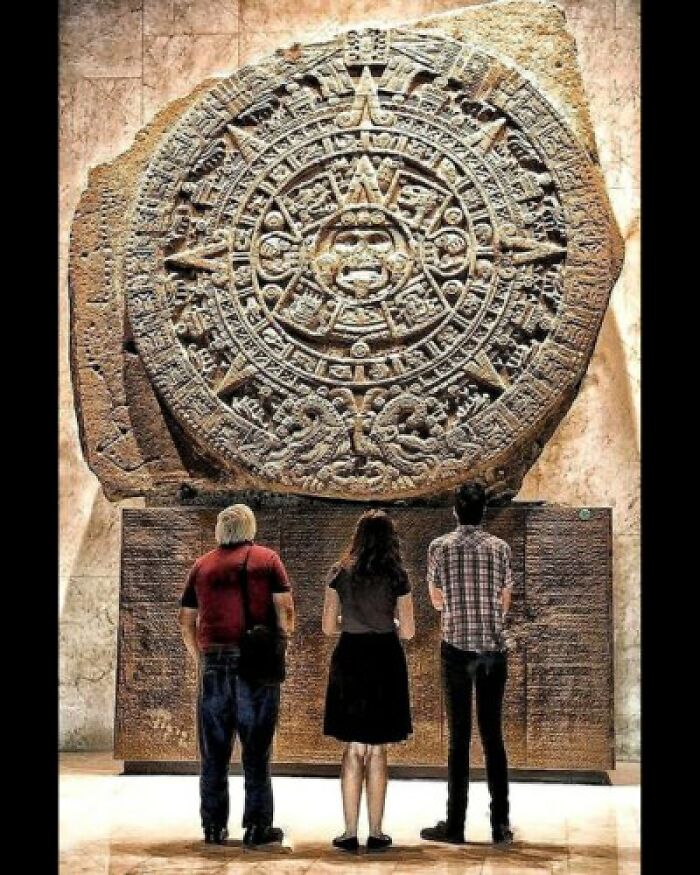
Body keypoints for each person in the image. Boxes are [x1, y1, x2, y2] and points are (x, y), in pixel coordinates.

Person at [178, 504, 295, 846]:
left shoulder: (201, 566)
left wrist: (200, 656)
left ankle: (213, 826)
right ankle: (258, 826)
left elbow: (186, 619)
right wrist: (279, 647)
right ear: (250, 526)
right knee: (256, 748)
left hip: (213, 664)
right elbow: (285, 610)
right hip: (255, 666)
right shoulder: (267, 559)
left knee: (213, 751)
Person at [421, 483, 515, 847]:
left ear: (456, 511)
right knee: (493, 738)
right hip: (492, 650)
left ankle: (456, 824)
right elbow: (504, 602)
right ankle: (500, 825)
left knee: (459, 739)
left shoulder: (440, 547)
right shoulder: (500, 548)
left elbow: (436, 601)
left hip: (456, 649)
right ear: (484, 512)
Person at [322, 509, 415, 853]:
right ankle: (376, 832)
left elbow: (328, 627)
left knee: (353, 748)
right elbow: (409, 630)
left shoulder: (339, 573)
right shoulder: (397, 575)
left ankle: (348, 832)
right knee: (377, 748)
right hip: (385, 658)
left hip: (349, 657)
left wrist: (351, 616)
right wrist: (385, 618)